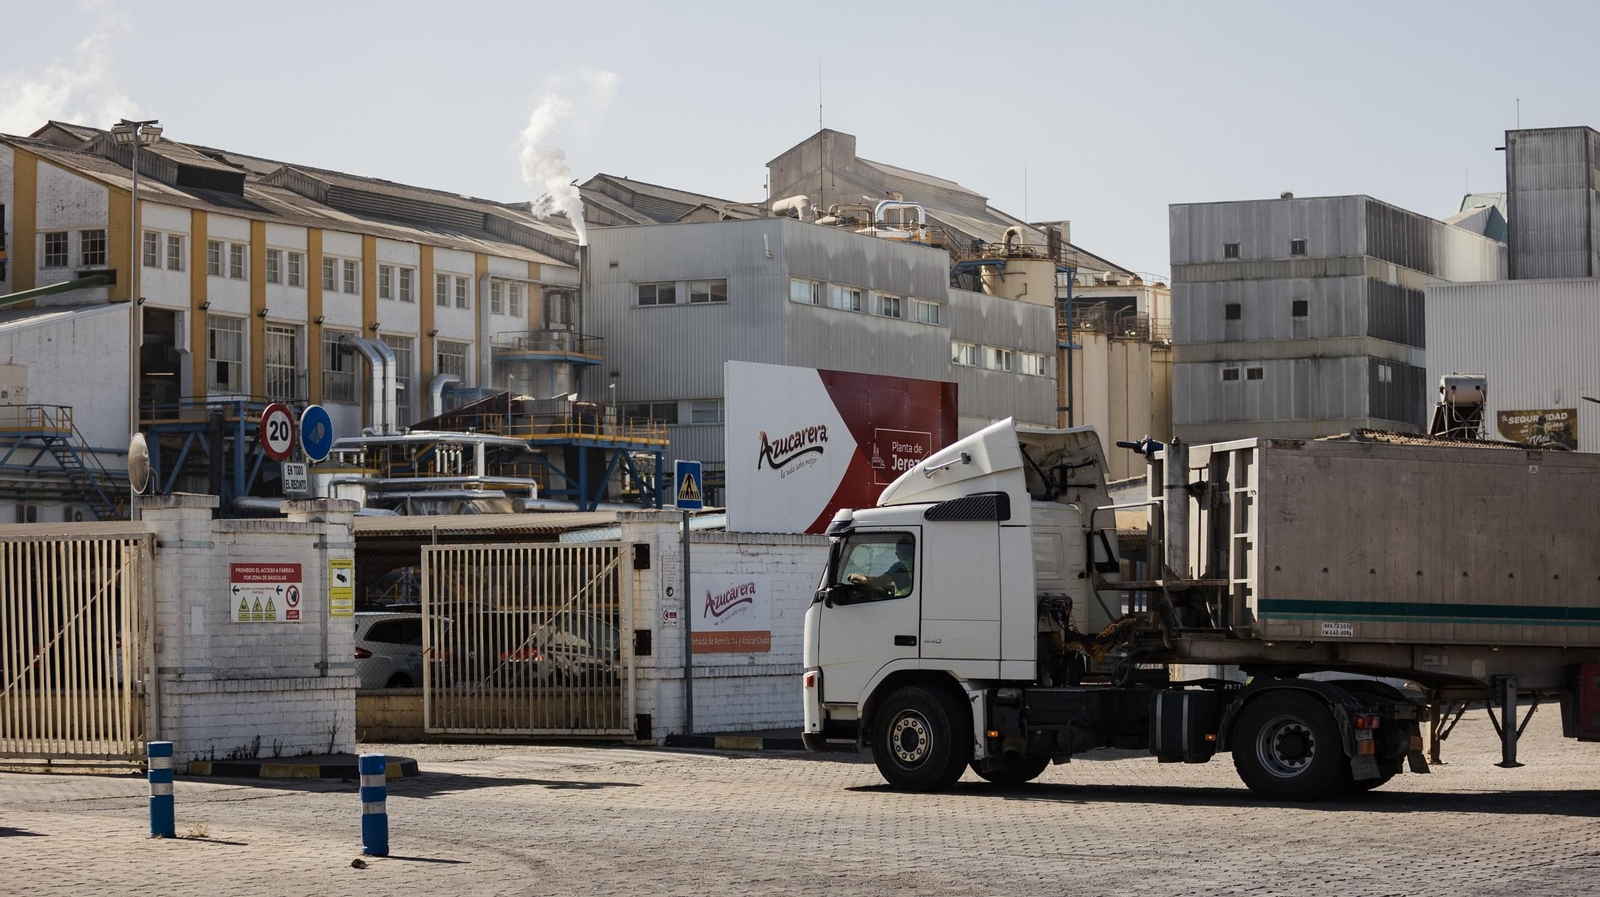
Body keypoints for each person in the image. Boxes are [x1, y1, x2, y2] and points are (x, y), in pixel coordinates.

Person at [847, 537, 915, 598]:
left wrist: (860, 578)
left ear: (897, 555)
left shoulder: (899, 567)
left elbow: (880, 581)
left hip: (902, 604)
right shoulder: (917, 564)